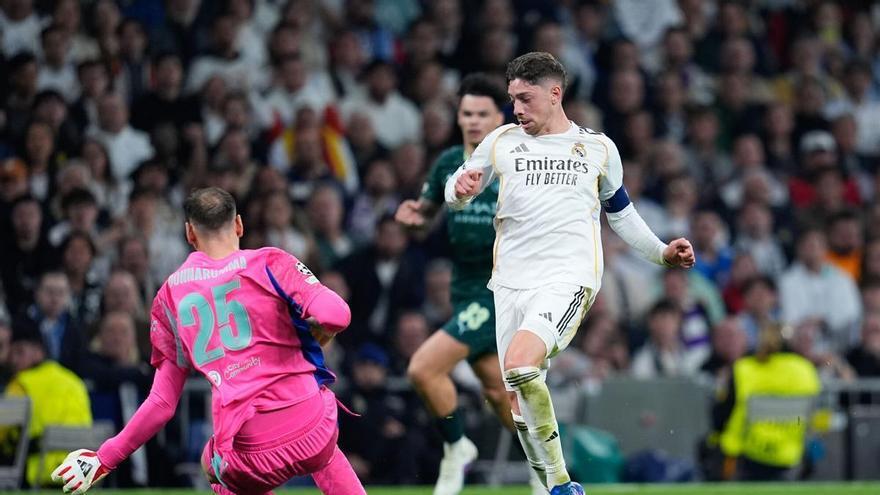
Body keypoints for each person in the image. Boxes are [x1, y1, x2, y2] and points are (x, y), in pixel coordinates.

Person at [445, 52, 695, 495]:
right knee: (518, 396)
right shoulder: (501, 140)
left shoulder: (597, 148)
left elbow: (620, 214)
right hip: (508, 284)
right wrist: (458, 190)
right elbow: (462, 185)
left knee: (522, 366)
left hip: (567, 279)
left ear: (554, 93)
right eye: (512, 100)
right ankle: (550, 488)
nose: (516, 109)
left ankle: (561, 485)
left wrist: (661, 252)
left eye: (525, 98)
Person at [51, 187, 365, 495]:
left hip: (253, 454)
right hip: (315, 426)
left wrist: (104, 458)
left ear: (190, 234)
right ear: (239, 224)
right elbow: (336, 314)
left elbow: (161, 403)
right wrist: (320, 333)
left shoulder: (170, 297)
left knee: (212, 463)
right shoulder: (270, 262)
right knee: (323, 446)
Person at [396, 73, 535, 495]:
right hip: (464, 288)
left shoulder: (519, 165)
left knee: (423, 368)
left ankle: (457, 448)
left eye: (482, 114)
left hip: (500, 290)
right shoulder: (448, 163)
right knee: (496, 390)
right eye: (466, 114)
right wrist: (412, 220)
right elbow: (424, 216)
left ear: (501, 118)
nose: (474, 121)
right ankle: (545, 462)